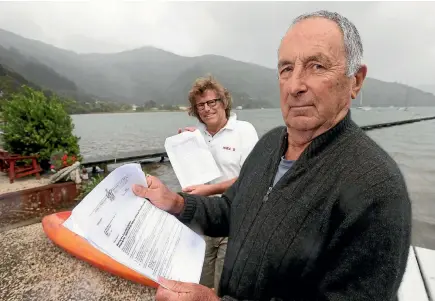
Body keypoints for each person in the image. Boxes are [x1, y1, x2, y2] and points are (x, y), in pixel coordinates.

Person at [133, 10, 412, 301]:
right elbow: (231, 210)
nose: (295, 86)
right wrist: (177, 203)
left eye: (317, 66)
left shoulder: (377, 188)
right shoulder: (269, 145)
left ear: (355, 80)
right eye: (286, 69)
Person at [177, 75, 259, 292]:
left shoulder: (244, 131)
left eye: (211, 102)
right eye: (200, 105)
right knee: (200, 283)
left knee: (224, 286)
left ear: (223, 102)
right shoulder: (196, 136)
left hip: (233, 219)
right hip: (201, 221)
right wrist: (183, 145)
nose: (206, 109)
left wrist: (210, 189)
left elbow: (251, 177)